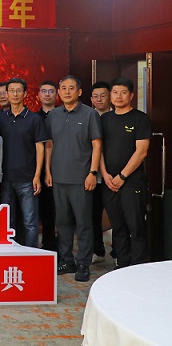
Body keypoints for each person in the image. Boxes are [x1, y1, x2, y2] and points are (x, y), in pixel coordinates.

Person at [45, 75, 101, 282]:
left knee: (83, 222)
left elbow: (97, 145)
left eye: (71, 88)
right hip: (58, 177)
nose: (67, 92)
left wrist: (92, 173)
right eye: (63, 88)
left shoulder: (89, 114)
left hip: (81, 178)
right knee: (62, 222)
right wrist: (47, 171)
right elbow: (49, 145)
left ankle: (83, 263)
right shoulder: (53, 115)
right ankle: (66, 259)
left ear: (79, 92)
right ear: (59, 92)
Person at [100, 77, 151, 268]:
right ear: (110, 96)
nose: (118, 96)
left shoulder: (140, 119)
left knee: (136, 226)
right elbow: (98, 149)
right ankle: (121, 265)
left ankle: (138, 266)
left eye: (123, 92)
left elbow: (141, 152)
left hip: (131, 182)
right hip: (109, 182)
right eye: (115, 92)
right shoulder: (104, 119)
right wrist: (104, 174)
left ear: (131, 95)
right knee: (118, 227)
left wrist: (122, 176)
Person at [0, 78, 46, 248]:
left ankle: (31, 255)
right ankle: (9, 254)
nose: (15, 94)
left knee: (30, 222)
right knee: (7, 222)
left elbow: (40, 148)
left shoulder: (34, 119)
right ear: (7, 94)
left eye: (18, 91)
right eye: (11, 91)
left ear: (25, 94)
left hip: (27, 178)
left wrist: (37, 175)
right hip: (5, 179)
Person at [90, 80, 112, 263]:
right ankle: (97, 248)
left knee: (116, 215)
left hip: (115, 175)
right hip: (94, 176)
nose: (99, 99)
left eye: (103, 95)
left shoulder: (116, 117)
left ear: (109, 97)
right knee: (93, 214)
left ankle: (119, 252)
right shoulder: (89, 117)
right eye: (95, 96)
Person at [37, 80, 59, 253]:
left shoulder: (62, 115)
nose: (47, 94)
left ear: (56, 95)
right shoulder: (33, 117)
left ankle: (59, 247)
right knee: (44, 209)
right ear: (38, 95)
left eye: (51, 91)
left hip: (60, 168)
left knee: (59, 211)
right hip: (38, 170)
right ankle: (46, 244)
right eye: (43, 91)